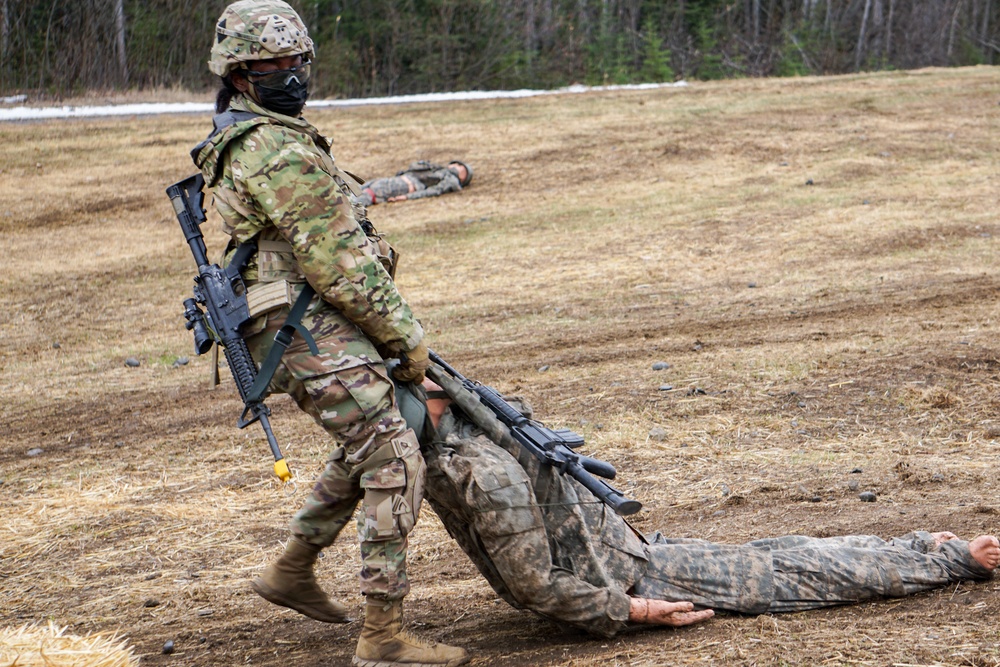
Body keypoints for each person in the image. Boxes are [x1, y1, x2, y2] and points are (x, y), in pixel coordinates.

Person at [189, 3, 467, 666]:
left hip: (300, 317)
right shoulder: (270, 146)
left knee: (388, 422)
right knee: (394, 457)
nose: (288, 74)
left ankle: (290, 567)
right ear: (239, 73)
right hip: (297, 324)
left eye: (295, 62)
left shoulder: (267, 133)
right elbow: (333, 257)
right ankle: (383, 637)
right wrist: (405, 335)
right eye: (270, 65)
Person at [391, 364, 1000, 638]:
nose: (432, 374)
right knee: (788, 573)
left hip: (624, 554)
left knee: (782, 548)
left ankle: (917, 547)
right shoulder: (485, 470)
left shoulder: (465, 434)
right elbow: (533, 585)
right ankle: (954, 561)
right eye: (422, 381)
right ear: (427, 405)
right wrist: (630, 611)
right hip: (625, 581)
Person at [352, 160, 473, 206]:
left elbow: (432, 191)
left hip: (407, 185)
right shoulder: (437, 168)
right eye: (457, 164)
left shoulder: (450, 179)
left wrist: (406, 197)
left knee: (371, 193)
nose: (456, 166)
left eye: (461, 169)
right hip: (401, 179)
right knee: (357, 188)